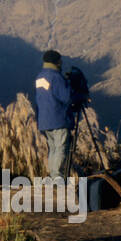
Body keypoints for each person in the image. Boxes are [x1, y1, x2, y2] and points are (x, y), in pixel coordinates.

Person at [34, 49, 74, 178]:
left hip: (44, 120)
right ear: (57, 62)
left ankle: (53, 175)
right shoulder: (56, 77)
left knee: (53, 149)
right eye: (60, 61)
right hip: (58, 119)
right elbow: (66, 97)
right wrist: (70, 85)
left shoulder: (40, 77)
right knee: (61, 148)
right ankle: (57, 177)